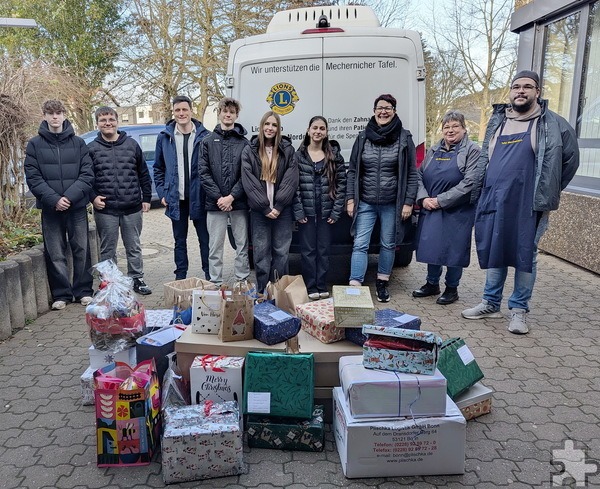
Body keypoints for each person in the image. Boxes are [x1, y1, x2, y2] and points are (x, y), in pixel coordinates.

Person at [462, 70, 579, 334]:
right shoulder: (498, 121)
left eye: (528, 86)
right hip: (495, 198)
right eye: (516, 87)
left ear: (538, 92)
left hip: (529, 203)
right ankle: (490, 304)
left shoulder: (552, 124)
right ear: (510, 92)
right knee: (496, 249)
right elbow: (485, 159)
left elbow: (570, 161)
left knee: (526, 254)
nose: (521, 91)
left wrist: (549, 189)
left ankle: (518, 310)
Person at [346, 94, 418, 302]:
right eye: (380, 107)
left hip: (391, 203)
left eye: (388, 108)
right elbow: (352, 171)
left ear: (394, 111)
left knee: (388, 243)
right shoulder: (362, 137)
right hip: (366, 202)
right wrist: (350, 199)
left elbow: (412, 173)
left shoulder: (404, 138)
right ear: (374, 110)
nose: (383, 111)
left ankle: (382, 283)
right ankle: (355, 284)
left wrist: (408, 202)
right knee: (360, 243)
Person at [24, 100, 94, 310]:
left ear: (64, 115)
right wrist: (54, 199)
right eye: (50, 113)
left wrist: (70, 197)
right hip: (50, 208)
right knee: (55, 252)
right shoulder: (34, 144)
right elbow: (33, 177)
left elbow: (87, 174)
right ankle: (61, 294)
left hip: (77, 206)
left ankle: (83, 291)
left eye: (58, 113)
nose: (55, 117)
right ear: (44, 115)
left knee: (82, 249)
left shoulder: (79, 143)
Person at [412, 111, 481, 305]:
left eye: (455, 126)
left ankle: (452, 288)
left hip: (457, 210)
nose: (450, 131)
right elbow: (418, 176)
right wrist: (423, 198)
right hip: (431, 207)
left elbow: (470, 183)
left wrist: (441, 200)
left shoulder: (472, 151)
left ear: (464, 129)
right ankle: (432, 284)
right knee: (432, 247)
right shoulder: (434, 150)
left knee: (454, 250)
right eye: (446, 127)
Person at [87, 106, 153, 295]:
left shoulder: (132, 145)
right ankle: (109, 282)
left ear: (117, 121)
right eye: (103, 120)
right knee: (108, 249)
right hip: (105, 208)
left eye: (110, 119)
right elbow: (86, 178)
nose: (107, 123)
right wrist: (93, 197)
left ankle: (137, 278)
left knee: (133, 246)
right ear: (97, 124)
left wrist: (146, 197)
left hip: (132, 206)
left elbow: (143, 173)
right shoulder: (91, 148)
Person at [153, 95, 210, 280]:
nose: (181, 113)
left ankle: (209, 275)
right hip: (176, 199)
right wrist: (162, 192)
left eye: (185, 109)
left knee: (205, 240)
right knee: (179, 241)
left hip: (199, 197)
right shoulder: (164, 137)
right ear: (173, 112)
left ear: (191, 111)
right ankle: (180, 277)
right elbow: (158, 168)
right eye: (177, 110)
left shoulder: (205, 136)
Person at [241, 111, 298, 293]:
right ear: (261, 126)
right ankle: (262, 292)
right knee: (261, 254)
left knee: (281, 252)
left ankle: (279, 291)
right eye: (267, 124)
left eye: (274, 125)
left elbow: (291, 179)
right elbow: (249, 182)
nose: (270, 128)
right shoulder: (250, 150)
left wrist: (279, 205)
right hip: (259, 212)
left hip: (283, 211)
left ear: (278, 128)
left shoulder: (287, 150)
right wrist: (265, 207)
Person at [293, 116, 346, 300]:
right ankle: (311, 286)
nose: (318, 131)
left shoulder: (334, 155)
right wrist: (298, 211)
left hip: (326, 214)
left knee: (323, 250)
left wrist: (336, 210)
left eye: (322, 128)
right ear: (308, 130)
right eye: (314, 128)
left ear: (326, 132)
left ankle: (322, 284)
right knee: (308, 251)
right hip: (307, 214)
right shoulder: (298, 155)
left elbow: (341, 185)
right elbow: (294, 186)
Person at [198, 98, 250, 286]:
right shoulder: (207, 142)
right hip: (215, 203)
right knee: (215, 247)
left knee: (242, 245)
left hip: (239, 203)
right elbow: (203, 173)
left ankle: (242, 280)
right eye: (224, 111)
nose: (228, 115)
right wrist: (220, 198)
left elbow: (247, 174)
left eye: (232, 112)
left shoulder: (244, 143)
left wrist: (232, 197)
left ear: (236, 115)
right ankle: (216, 282)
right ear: (219, 113)